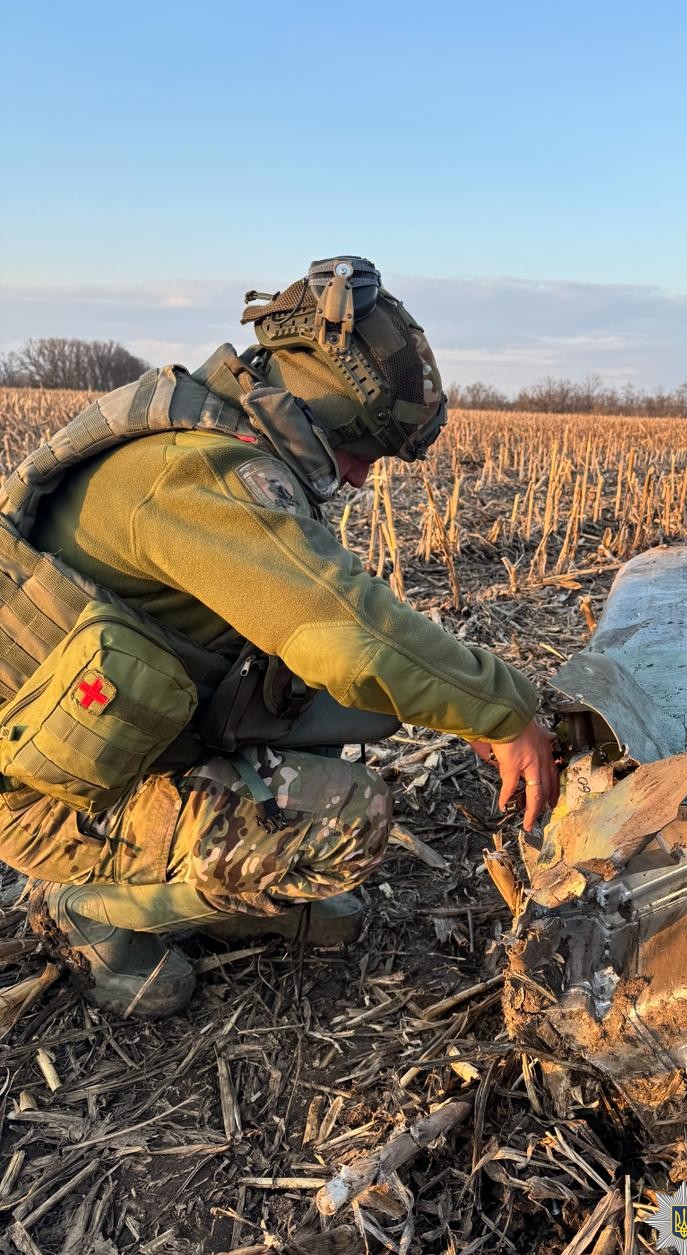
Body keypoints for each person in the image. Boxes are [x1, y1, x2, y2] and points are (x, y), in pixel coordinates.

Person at [1, 256, 559, 1018]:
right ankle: (91, 909)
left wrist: (454, 708)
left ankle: (197, 870)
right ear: (314, 416)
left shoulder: (205, 442)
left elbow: (330, 633)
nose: (361, 480)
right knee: (349, 821)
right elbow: (349, 634)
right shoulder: (199, 476)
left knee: (345, 723)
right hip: (46, 800)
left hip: (102, 748)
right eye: (361, 453)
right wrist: (501, 711)